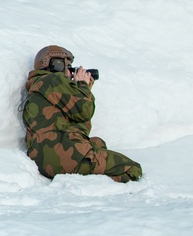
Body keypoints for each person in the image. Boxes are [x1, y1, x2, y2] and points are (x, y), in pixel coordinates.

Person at [23, 45, 142, 182]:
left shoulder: (39, 86)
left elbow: (80, 127)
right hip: (65, 158)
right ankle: (95, 186)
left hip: (47, 161)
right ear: (56, 65)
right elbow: (84, 111)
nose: (70, 72)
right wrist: (83, 86)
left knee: (98, 143)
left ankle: (90, 179)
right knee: (132, 169)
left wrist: (80, 90)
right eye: (67, 66)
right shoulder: (53, 80)